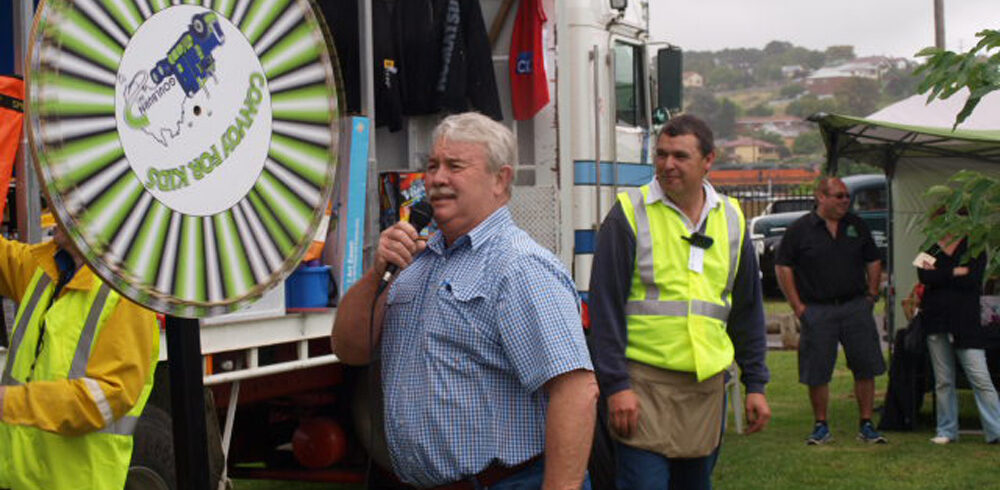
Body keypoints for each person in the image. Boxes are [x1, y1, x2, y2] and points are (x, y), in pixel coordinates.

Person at [332, 112, 598, 489]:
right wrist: (377, 273)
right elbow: (349, 349)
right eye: (432, 166)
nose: (437, 179)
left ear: (500, 179)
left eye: (455, 166)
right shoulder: (412, 262)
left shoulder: (520, 267)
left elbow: (576, 391)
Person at [588, 114, 771, 490]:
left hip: (705, 390)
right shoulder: (628, 213)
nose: (667, 164)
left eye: (680, 156)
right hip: (641, 386)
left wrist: (756, 383)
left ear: (708, 160)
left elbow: (747, 310)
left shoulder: (732, 219)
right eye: (661, 154)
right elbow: (605, 309)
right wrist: (616, 385)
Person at [0, 227, 160, 489]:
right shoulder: (48, 268)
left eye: (66, 208)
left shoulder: (127, 298)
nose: (55, 215)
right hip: (18, 479)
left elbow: (104, 397)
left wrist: (9, 402)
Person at [775, 176, 887, 445]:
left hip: (855, 307)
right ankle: (821, 425)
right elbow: (783, 267)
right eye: (839, 196)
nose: (845, 200)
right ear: (821, 197)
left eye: (847, 196)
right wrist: (798, 306)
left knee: (865, 366)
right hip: (817, 310)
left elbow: (873, 260)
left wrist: (872, 295)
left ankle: (867, 424)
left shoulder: (856, 225)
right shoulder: (800, 229)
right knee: (817, 371)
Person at [916, 227, 1000, 444]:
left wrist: (940, 275)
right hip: (936, 319)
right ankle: (946, 430)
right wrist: (954, 272)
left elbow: (972, 279)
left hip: (965, 321)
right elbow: (924, 276)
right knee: (943, 379)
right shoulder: (930, 247)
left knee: (979, 377)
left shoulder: (974, 248)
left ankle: (996, 430)